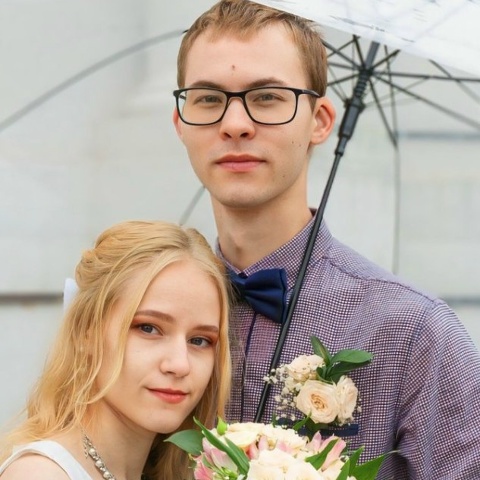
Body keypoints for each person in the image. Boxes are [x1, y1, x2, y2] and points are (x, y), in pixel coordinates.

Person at [172, 0, 480, 478]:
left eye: (267, 97)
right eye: (209, 99)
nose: (234, 124)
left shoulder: (416, 333)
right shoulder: (143, 316)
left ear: (320, 120)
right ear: (180, 122)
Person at [0, 220, 231, 480]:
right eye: (148, 328)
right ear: (86, 332)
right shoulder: (41, 474)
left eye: (200, 340)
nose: (180, 364)